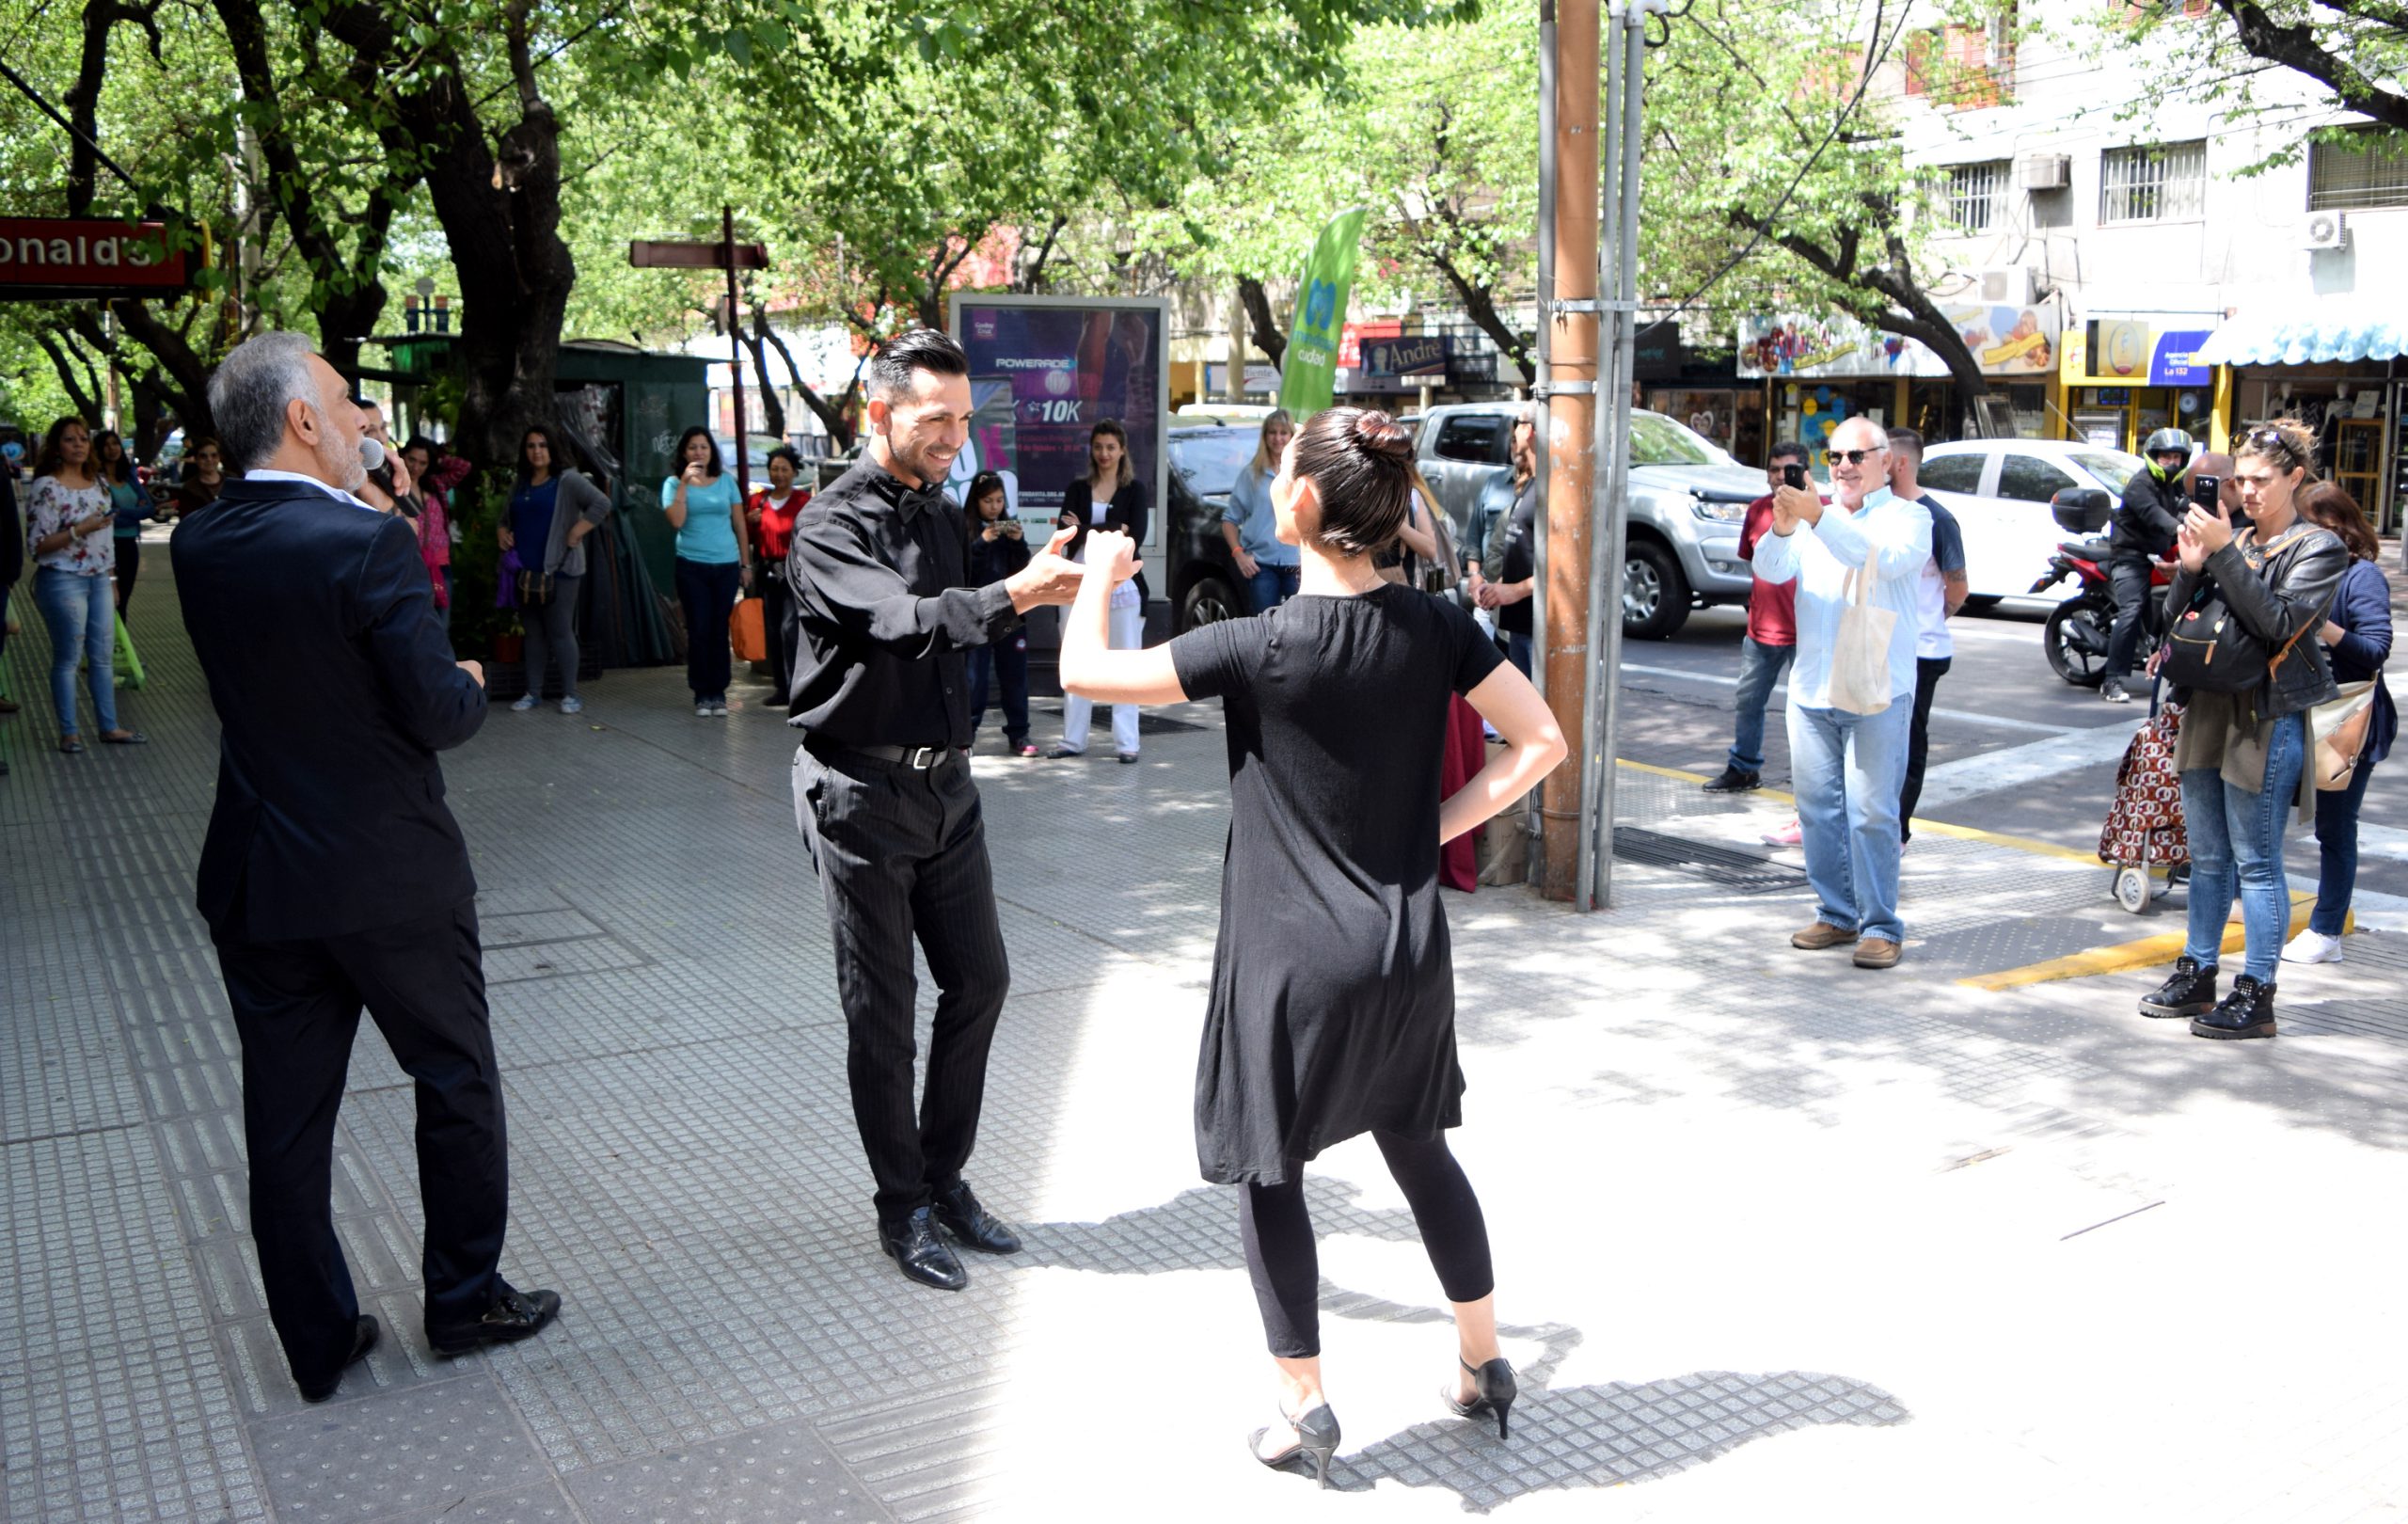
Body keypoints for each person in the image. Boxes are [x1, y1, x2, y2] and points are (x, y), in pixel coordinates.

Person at [1055, 407, 1566, 1486]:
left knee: (1271, 1170)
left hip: (1288, 960)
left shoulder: (1258, 644)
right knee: (1420, 1150)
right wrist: (1430, 830)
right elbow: (1540, 742)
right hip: (1404, 948)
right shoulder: (1437, 629)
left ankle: (1303, 1402)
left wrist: (1098, 574)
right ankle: (1482, 1362)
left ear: (1296, 502)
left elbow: (1085, 674)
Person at [172, 331, 558, 1404]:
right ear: (301, 420)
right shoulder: (365, 544)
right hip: (390, 875)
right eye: (349, 403)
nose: (367, 422)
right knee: (455, 1079)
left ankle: (316, 1339)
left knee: (286, 1120)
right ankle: (465, 1298)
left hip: (260, 875)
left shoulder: (199, 542)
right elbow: (436, 713)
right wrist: (468, 675)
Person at [784, 327, 1087, 1292]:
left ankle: (943, 1178)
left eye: (962, 419)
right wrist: (1012, 594)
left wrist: (1038, 585)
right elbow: (900, 622)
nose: (954, 436)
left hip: (947, 788)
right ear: (879, 413)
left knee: (982, 982)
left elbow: (962, 628)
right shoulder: (828, 526)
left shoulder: (948, 514)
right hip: (858, 793)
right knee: (884, 1015)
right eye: (935, 419)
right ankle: (901, 1205)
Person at [2136, 421, 2347, 1039]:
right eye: (2241, 481)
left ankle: (2257, 991)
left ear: (2295, 479)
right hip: (2206, 704)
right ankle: (2197, 972)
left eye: (2261, 480)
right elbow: (2172, 623)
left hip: (2266, 713)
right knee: (2207, 857)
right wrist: (2190, 567)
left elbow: (2278, 624)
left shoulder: (2317, 549)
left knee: (2256, 861)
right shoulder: (2233, 538)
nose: (2248, 492)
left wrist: (2224, 551)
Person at [1751, 418, 1931, 971]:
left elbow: (1876, 558)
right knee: (1817, 812)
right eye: (1835, 457)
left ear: (1887, 462)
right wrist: (1785, 528)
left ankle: (1880, 925)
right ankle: (1836, 913)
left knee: (1872, 812)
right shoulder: (1815, 516)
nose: (1844, 467)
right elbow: (1768, 569)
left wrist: (1815, 517)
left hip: (1878, 691)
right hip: (1811, 690)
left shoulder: (1910, 517)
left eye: (1857, 456)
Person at [2280, 484, 2393, 965]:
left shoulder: (2360, 577)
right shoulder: (2292, 569)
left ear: (2336, 529)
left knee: (2334, 826)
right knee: (2261, 816)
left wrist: (2320, 623)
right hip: (2288, 711)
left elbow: (2375, 650)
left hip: (2343, 719)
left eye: (2305, 526)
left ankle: (2326, 931)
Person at [25, 418, 142, 753]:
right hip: (62, 578)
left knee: (102, 656)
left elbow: (106, 537)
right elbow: (36, 546)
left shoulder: (98, 483)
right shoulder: (47, 487)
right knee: (68, 658)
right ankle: (70, 732)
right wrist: (79, 530)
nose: (78, 444)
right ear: (56, 446)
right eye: (69, 439)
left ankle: (109, 726)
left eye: (82, 439)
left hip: (99, 578)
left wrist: (112, 579)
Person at [1703, 441, 1812, 795]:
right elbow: (1753, 561)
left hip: (1808, 634)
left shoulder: (1822, 512)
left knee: (1809, 714)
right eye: (1774, 469)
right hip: (1761, 630)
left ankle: (1812, 783)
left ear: (1805, 473)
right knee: (1748, 702)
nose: (1780, 477)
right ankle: (1744, 769)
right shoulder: (1757, 509)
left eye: (1789, 470)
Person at [1887, 428, 1969, 843]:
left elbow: (1958, 588)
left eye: (1880, 456)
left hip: (1922, 652)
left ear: (1900, 463)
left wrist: (1930, 619)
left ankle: (1897, 831)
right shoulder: (1877, 510)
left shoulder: (1937, 518)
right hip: (1879, 646)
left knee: (1908, 740)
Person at [1051, 418, 1149, 762]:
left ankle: (1127, 743)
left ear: (1122, 450)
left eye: (1110, 447)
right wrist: (1113, 526)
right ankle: (1072, 740)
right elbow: (1066, 533)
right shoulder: (1078, 488)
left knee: (1125, 663)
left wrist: (1086, 528)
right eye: (1098, 447)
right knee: (1075, 660)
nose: (1104, 453)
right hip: (1078, 581)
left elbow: (1136, 535)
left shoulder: (1135, 490)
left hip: (1122, 586)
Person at [499, 427, 610, 714]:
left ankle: (570, 694)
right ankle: (533, 692)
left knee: (560, 629)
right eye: (531, 446)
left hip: (561, 568)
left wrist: (578, 529)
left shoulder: (567, 480)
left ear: (552, 449)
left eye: (543, 445)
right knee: (533, 632)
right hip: (525, 571)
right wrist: (502, 533)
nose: (537, 451)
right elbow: (505, 518)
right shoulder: (521, 483)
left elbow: (602, 503)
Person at [664, 426, 752, 716]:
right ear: (683, 452)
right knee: (699, 628)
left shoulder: (726, 481)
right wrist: (683, 484)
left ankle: (719, 692)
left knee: (718, 629)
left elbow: (740, 524)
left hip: (726, 565)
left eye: (703, 447)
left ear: (712, 451)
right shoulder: (672, 483)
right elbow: (676, 521)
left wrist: (745, 564)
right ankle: (702, 692)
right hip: (691, 565)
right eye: (692, 447)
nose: (698, 452)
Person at [2102, 429, 2193, 704]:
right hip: (2131, 555)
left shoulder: (2174, 485)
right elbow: (2155, 515)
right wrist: (2180, 528)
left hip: (2160, 554)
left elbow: (2186, 507)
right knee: (2132, 608)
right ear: (2154, 456)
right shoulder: (2140, 485)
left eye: (2177, 457)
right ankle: (2112, 680)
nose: (2172, 462)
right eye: (2166, 456)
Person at [962, 470, 1036, 755]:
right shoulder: (966, 528)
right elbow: (965, 572)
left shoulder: (1008, 530)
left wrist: (1018, 541)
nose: (994, 507)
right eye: (988, 501)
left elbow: (1022, 571)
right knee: (974, 679)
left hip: (1010, 613)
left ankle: (1019, 734)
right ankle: (966, 737)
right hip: (977, 613)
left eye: (999, 500)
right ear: (976, 501)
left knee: (1015, 677)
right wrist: (982, 542)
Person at [1469, 422, 1542, 678]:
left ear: (1530, 430)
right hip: (1515, 624)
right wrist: (1495, 585)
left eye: (1519, 425)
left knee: (1537, 703)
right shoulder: (1530, 485)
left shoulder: (1552, 488)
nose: (1514, 435)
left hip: (1537, 628)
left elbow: (1563, 569)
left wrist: (1515, 590)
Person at [746, 445, 811, 705]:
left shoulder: (803, 502)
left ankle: (798, 689)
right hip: (767, 572)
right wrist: (750, 522)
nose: (779, 474)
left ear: (794, 472)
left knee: (789, 628)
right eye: (774, 469)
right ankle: (782, 688)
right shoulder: (758, 501)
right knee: (772, 629)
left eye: (784, 469)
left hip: (794, 571)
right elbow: (750, 538)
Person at [1222, 409, 1300, 611]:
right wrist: (1239, 554)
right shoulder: (1251, 475)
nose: (1278, 438)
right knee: (1264, 624)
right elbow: (1230, 519)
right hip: (1261, 565)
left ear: (1291, 436)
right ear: (1265, 436)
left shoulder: (1302, 474)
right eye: (1272, 432)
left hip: (1297, 564)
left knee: (1301, 622)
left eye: (1283, 432)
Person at [401, 437, 465, 635]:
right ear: (403, 456)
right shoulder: (393, 486)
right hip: (410, 565)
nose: (416, 467)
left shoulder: (435, 484)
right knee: (414, 625)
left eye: (423, 462)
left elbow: (463, 467)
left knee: (441, 625)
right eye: (412, 459)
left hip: (440, 565)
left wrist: (438, 458)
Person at [93, 430, 155, 619]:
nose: (112, 448)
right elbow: (105, 517)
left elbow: (149, 509)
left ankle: (121, 637)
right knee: (109, 600)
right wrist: (134, 513)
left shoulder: (128, 475)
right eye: (106, 445)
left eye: (115, 443)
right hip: (108, 545)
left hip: (130, 545)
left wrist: (120, 511)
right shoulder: (96, 479)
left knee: (124, 599)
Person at [169, 435, 227, 518]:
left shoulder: (232, 480)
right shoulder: (189, 488)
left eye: (214, 455)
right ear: (196, 459)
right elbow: (187, 520)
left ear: (219, 457)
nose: (209, 459)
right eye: (203, 456)